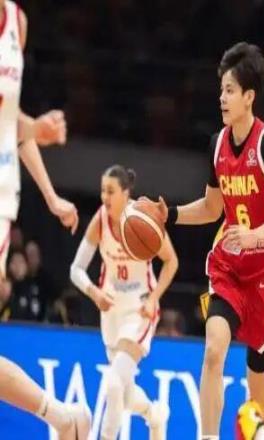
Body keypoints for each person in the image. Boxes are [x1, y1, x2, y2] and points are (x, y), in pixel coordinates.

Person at [161, 42, 264, 440]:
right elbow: (212, 208)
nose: (222, 98)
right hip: (228, 268)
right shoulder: (217, 145)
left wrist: (257, 235)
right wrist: (169, 214)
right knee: (213, 352)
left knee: (259, 386)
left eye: (229, 90)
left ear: (249, 96)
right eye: (221, 90)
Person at [0, 1, 89, 438]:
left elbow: (9, 122)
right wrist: (35, 128)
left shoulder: (16, 22)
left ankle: (62, 417)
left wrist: (51, 197)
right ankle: (63, 418)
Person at [70, 165, 178, 440]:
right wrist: (94, 292)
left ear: (125, 193)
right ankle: (155, 415)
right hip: (111, 312)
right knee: (124, 394)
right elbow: (76, 269)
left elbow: (171, 261)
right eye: (102, 191)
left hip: (139, 309)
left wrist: (154, 298)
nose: (104, 197)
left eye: (110, 191)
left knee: (114, 384)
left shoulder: (143, 217)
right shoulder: (100, 220)